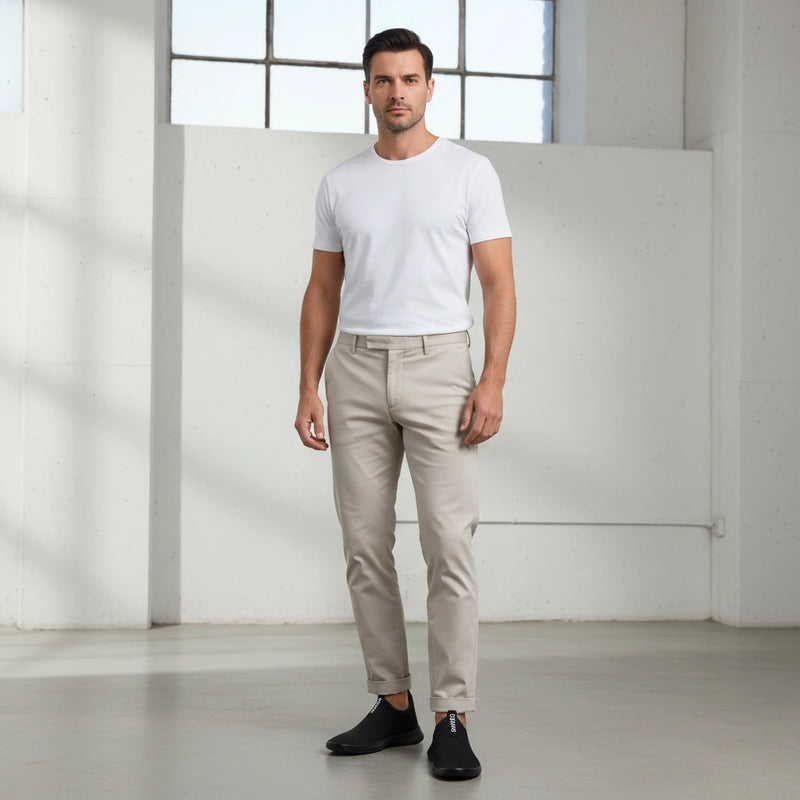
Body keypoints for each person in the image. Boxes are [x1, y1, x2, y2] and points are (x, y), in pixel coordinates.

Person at [294, 27, 515, 781]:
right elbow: (322, 288)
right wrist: (308, 384)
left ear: (429, 87)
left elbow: (498, 285)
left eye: (409, 79)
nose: (397, 92)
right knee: (364, 545)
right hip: (354, 369)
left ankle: (454, 714)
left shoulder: (469, 173)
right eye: (383, 80)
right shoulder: (340, 183)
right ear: (367, 90)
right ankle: (393, 704)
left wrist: (492, 379)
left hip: (441, 365)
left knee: (449, 544)